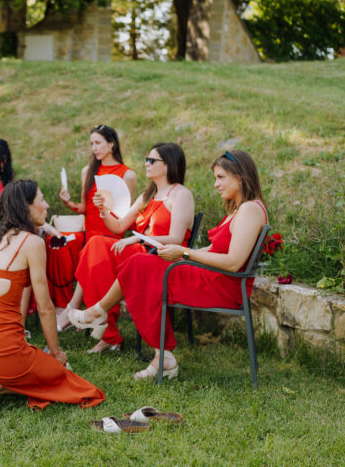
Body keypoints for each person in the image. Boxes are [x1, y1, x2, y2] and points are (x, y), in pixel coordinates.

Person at [70, 150, 268, 380]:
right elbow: (215, 250)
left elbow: (234, 263)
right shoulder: (240, 209)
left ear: (241, 176)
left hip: (221, 286)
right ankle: (157, 353)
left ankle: (100, 314)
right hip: (212, 278)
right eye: (216, 178)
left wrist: (185, 252)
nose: (216, 184)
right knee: (141, 265)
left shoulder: (250, 210)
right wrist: (184, 255)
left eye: (221, 177)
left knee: (140, 266)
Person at [0, 180, 105, 412]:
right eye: (41, 200)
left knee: (33, 361)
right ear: (26, 207)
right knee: (63, 376)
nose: (47, 206)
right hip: (0, 354)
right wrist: (56, 354)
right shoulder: (32, 243)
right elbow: (45, 308)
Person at [61, 143, 194, 353]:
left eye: (152, 160)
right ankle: (108, 331)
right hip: (141, 253)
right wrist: (104, 211)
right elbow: (120, 225)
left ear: (167, 165)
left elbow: (176, 238)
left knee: (99, 250)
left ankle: (104, 327)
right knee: (94, 246)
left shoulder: (181, 194)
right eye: (146, 159)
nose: (146, 164)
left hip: (163, 257)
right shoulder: (147, 196)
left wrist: (137, 239)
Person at [46, 124, 136, 311]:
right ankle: (62, 304)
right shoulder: (88, 171)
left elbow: (126, 213)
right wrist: (68, 203)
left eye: (98, 143)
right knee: (57, 244)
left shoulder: (127, 174)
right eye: (91, 144)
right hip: (87, 233)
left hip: (110, 235)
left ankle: (75, 308)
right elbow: (84, 208)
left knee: (92, 248)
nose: (94, 148)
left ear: (112, 144)